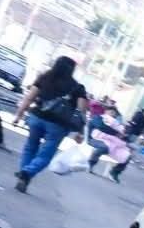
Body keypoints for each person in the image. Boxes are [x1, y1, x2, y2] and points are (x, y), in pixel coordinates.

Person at [10, 55, 87, 192]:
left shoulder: (44, 78)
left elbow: (29, 98)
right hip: (58, 125)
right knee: (46, 154)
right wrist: (80, 131)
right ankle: (27, 172)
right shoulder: (77, 87)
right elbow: (81, 111)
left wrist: (18, 115)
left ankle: (23, 174)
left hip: (37, 117)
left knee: (30, 147)